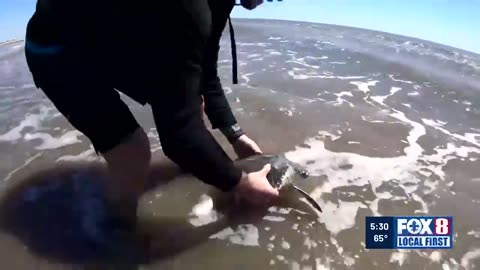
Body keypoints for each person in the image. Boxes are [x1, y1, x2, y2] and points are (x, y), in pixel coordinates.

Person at [24, 0, 279, 225]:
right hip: (57, 50)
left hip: (112, 38)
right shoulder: (188, 9)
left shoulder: (216, 3)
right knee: (132, 152)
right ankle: (116, 236)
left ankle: (200, 165)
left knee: (191, 101)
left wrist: (236, 135)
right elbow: (179, 135)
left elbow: (205, 71)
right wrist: (242, 183)